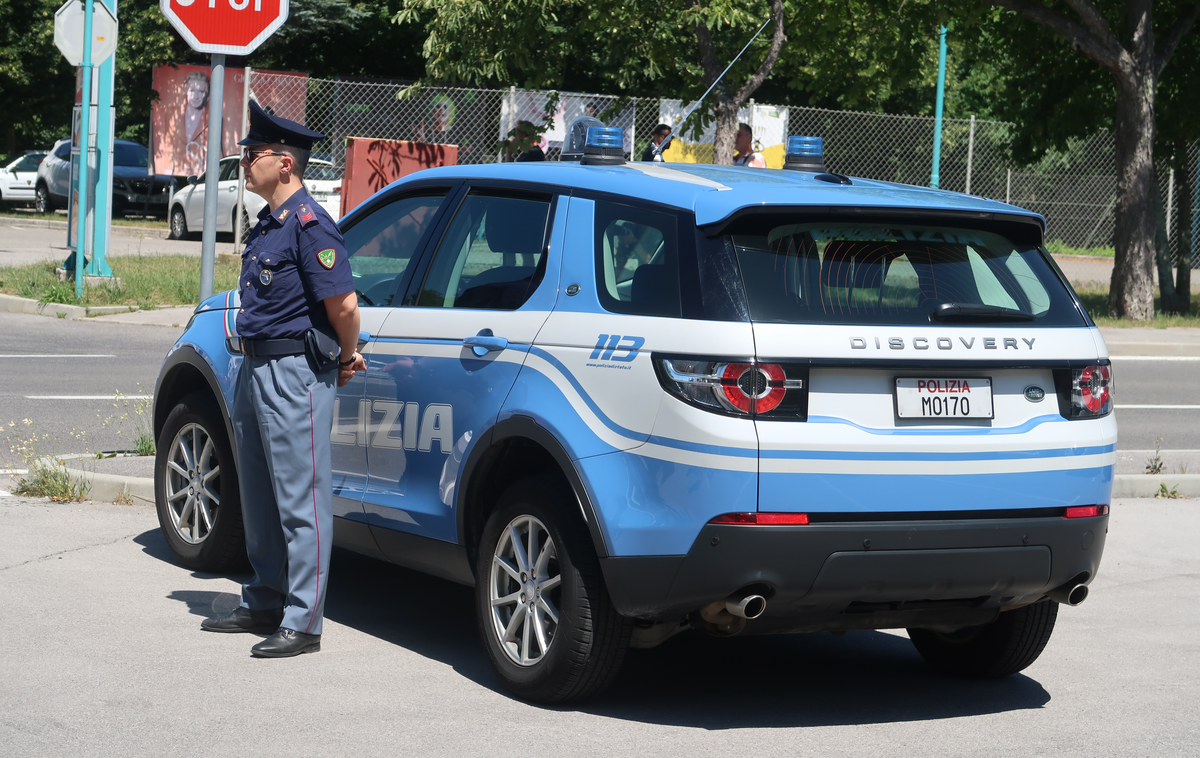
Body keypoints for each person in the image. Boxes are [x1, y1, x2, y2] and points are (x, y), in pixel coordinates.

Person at [200, 100, 366, 658]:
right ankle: (265, 597)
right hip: (256, 366)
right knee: (260, 492)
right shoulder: (269, 224)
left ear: (285, 164)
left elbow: (343, 304)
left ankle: (304, 620)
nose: (245, 161)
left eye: (254, 154)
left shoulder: (309, 223)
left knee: (302, 497)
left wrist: (347, 357)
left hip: (296, 371)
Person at [182, 71, 209, 176]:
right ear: (185, 90)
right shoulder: (170, 114)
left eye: (201, 91)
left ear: (206, 93)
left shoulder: (214, 119)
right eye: (192, 90)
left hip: (202, 170)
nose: (196, 96)